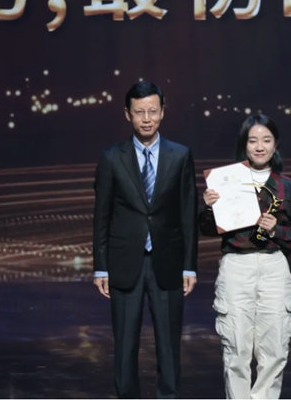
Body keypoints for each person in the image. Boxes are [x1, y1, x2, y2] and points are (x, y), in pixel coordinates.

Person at [92, 81, 198, 399]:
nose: (147, 119)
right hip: (125, 263)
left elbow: (187, 214)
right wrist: (101, 267)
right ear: (128, 114)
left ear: (163, 112)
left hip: (168, 262)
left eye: (153, 111)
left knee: (169, 345)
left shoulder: (180, 155)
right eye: (140, 112)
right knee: (125, 346)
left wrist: (189, 266)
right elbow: (102, 216)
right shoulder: (112, 157)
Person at [199, 114, 291, 399]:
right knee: (236, 350)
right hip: (237, 265)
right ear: (244, 144)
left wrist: (275, 230)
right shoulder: (225, 181)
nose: (260, 146)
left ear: (275, 144)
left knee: (275, 350)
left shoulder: (287, 186)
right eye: (253, 140)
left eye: (266, 140)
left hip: (273, 266)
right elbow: (207, 229)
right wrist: (209, 207)